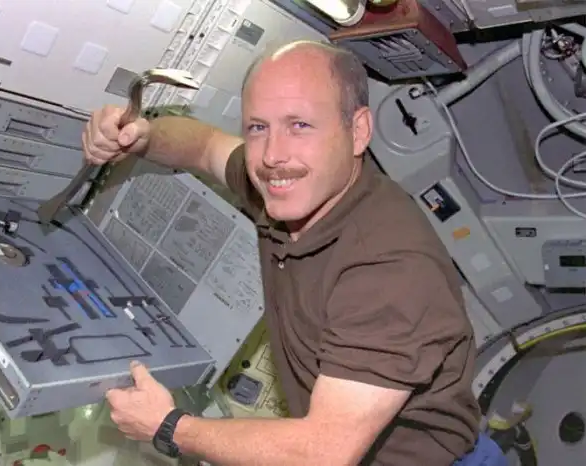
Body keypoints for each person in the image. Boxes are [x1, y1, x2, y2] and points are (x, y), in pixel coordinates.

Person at [83, 40, 481, 465]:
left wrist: (169, 426)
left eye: (300, 125)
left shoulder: (389, 268)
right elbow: (205, 146)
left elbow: (322, 455)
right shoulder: (291, 186)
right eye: (258, 127)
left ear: (358, 131)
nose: (272, 155)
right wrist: (142, 137)